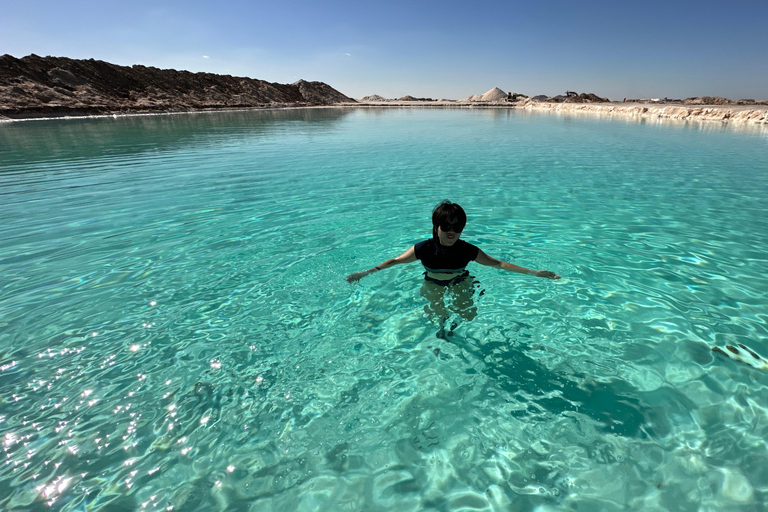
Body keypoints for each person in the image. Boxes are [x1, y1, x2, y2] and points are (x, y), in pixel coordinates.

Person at [346, 200, 560, 337]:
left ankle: (456, 326)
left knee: (468, 314)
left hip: (460, 281)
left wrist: (535, 273)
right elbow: (395, 261)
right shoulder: (423, 248)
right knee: (438, 313)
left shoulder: (467, 250)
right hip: (433, 282)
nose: (452, 232)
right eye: (446, 226)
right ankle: (442, 329)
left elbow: (498, 264)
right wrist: (366, 273)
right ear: (436, 226)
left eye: (457, 227)